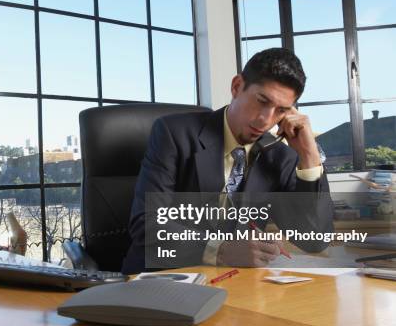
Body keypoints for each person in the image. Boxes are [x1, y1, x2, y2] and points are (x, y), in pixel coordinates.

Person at [122, 48, 334, 274]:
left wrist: (310, 157)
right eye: (261, 101)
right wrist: (220, 250)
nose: (266, 120)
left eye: (280, 111)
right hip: (159, 277)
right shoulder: (173, 133)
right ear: (236, 87)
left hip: (235, 285)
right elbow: (146, 223)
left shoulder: (280, 157)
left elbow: (314, 240)